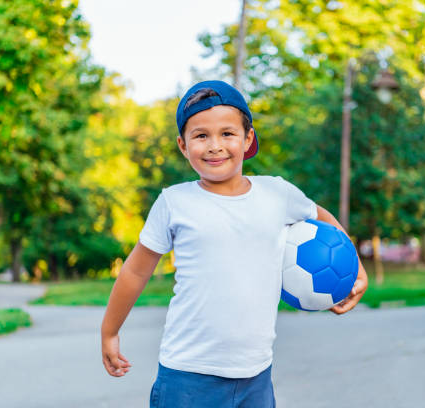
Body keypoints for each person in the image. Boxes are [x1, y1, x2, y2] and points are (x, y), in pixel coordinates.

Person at [100, 80, 369, 408]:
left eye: (227, 133)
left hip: (255, 374)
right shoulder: (174, 202)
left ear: (248, 139)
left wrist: (356, 268)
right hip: (187, 376)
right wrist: (110, 331)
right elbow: (135, 272)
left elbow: (321, 215)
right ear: (183, 145)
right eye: (201, 136)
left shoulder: (277, 194)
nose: (215, 145)